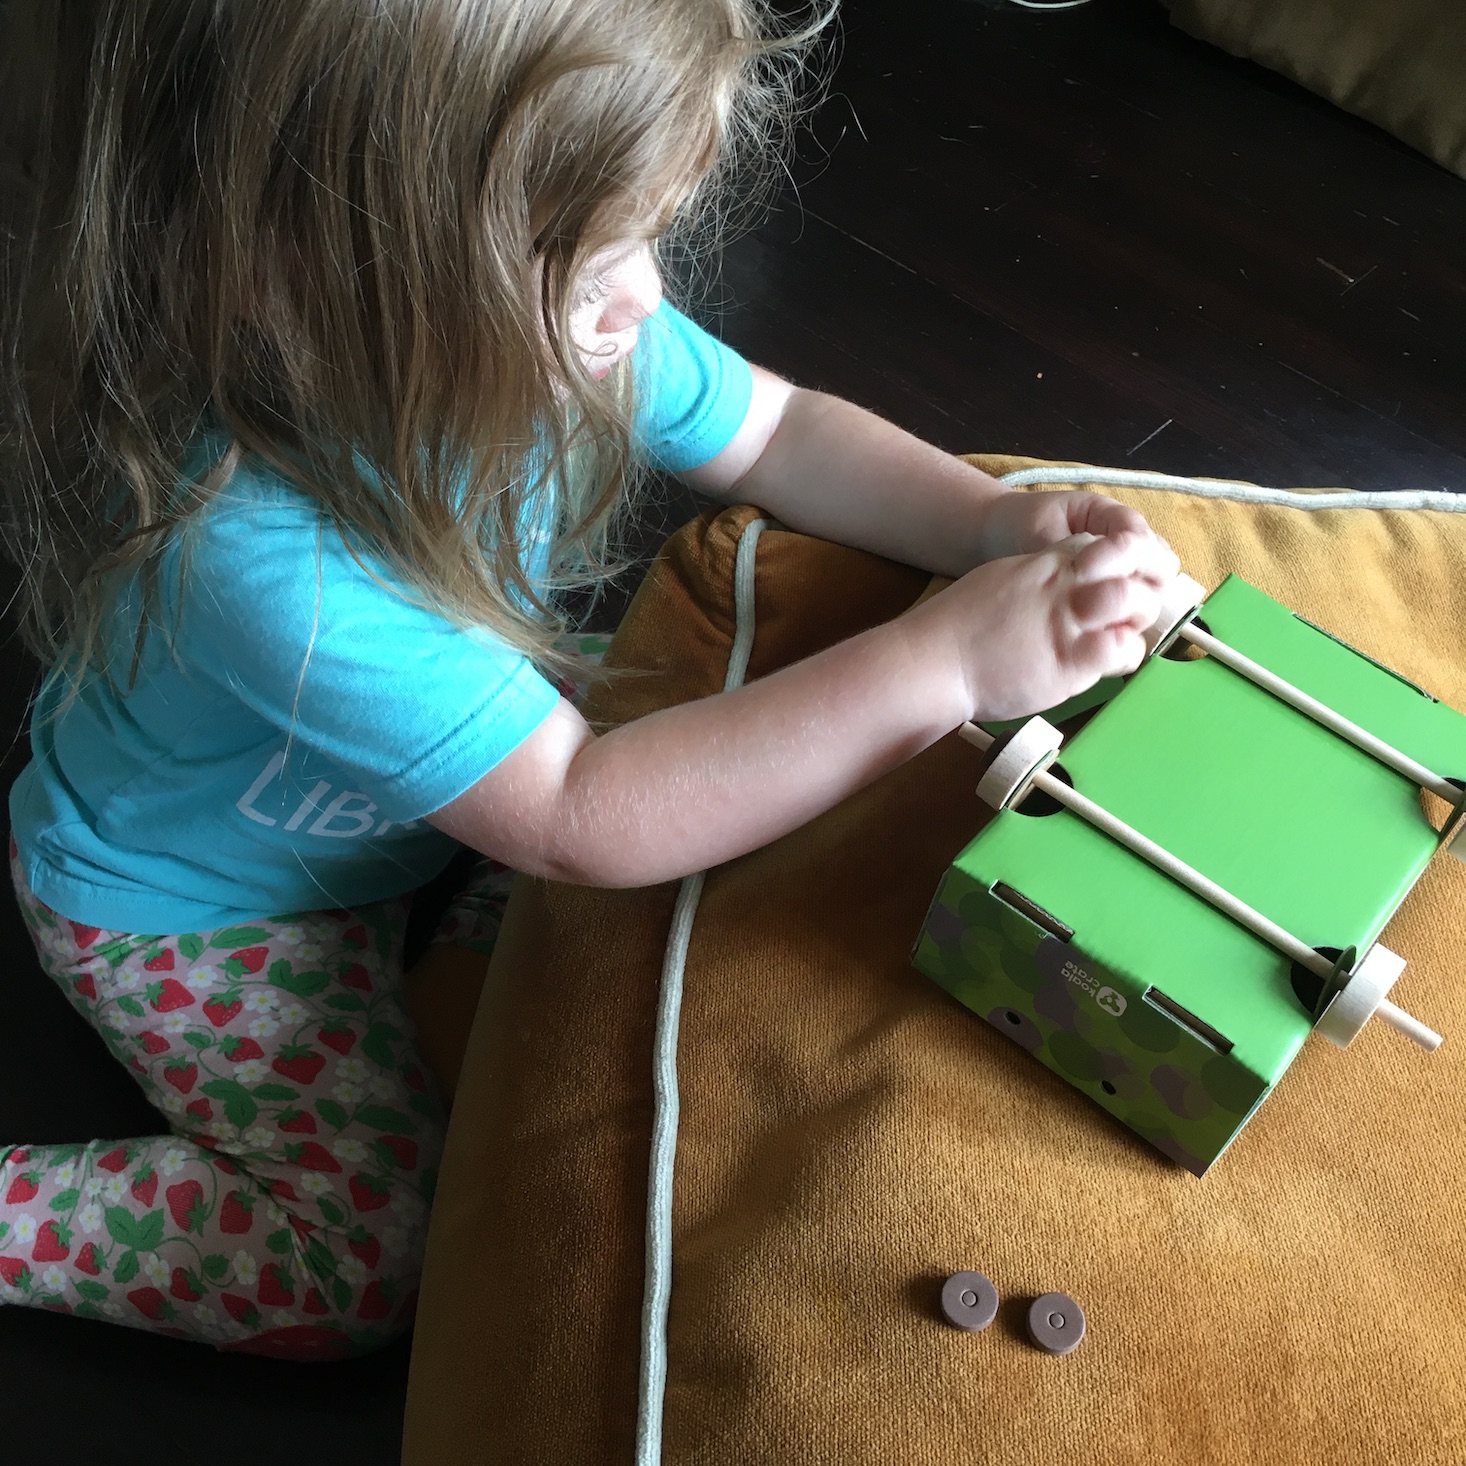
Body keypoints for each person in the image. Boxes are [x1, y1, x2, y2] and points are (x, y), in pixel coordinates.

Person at [0, 0, 1176, 1360]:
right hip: (196, 912)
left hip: (405, 830)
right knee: (370, 1258)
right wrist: (953, 655)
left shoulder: (570, 327)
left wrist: (982, 523)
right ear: (306, 278)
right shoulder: (259, 555)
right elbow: (580, 809)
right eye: (584, 259)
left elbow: (779, 430)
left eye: (648, 234)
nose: (646, 299)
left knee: (695, 919)